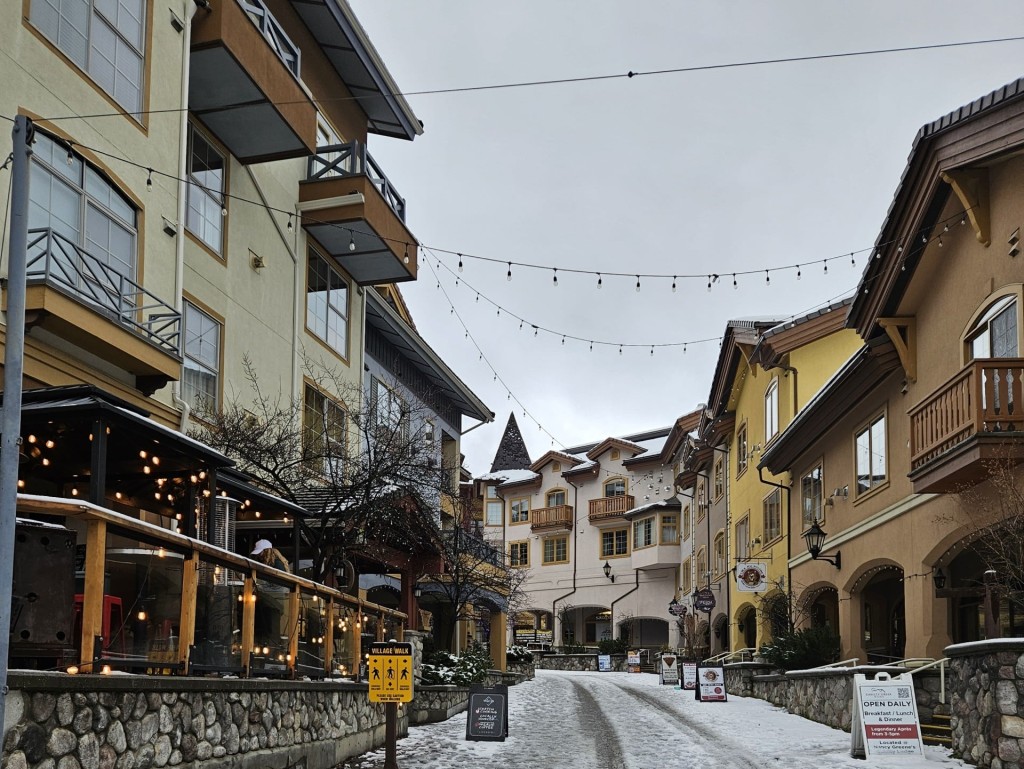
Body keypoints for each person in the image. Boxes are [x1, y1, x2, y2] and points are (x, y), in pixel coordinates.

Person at [251, 539, 290, 652]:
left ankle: (271, 652)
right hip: (271, 601)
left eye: (260, 553)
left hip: (274, 602)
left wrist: (261, 586)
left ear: (266, 551)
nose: (259, 556)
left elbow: (277, 585)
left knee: (271, 629)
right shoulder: (272, 562)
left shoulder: (276, 564)